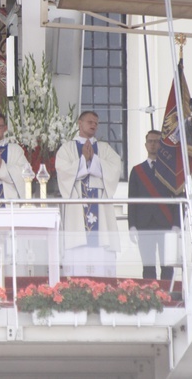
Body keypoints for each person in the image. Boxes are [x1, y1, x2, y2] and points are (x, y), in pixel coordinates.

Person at [56, 110, 122, 277]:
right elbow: (62, 171)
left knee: (101, 251)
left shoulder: (104, 148)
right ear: (80, 123)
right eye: (90, 122)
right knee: (77, 250)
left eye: (96, 123)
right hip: (77, 208)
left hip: (99, 206)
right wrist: (84, 161)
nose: (93, 125)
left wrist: (94, 160)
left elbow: (115, 168)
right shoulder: (67, 148)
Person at [128, 130, 180, 280]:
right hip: (144, 224)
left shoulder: (171, 170)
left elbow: (178, 197)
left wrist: (177, 224)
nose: (153, 144)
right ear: (145, 145)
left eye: (156, 141)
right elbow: (132, 200)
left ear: (161, 145)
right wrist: (132, 225)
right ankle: (149, 298)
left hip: (167, 223)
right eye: (150, 141)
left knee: (167, 266)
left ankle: (167, 298)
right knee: (148, 267)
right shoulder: (137, 171)